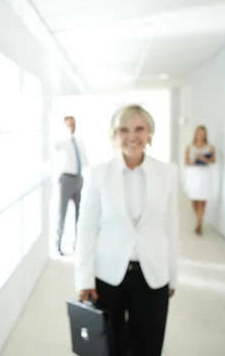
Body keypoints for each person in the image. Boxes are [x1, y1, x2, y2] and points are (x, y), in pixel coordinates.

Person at [75, 104, 179, 356]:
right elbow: (86, 228)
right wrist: (84, 279)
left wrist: (172, 276)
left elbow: (171, 228)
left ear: (150, 133)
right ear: (114, 135)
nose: (132, 136)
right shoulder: (98, 174)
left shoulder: (167, 172)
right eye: (124, 129)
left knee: (149, 345)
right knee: (110, 346)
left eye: (139, 128)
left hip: (152, 275)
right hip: (107, 275)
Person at [55, 115, 88, 255]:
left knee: (80, 215)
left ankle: (78, 245)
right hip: (66, 179)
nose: (72, 126)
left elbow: (85, 161)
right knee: (62, 213)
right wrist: (64, 133)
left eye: (73, 124)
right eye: (69, 124)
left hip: (79, 179)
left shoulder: (79, 143)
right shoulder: (63, 142)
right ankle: (58, 244)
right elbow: (55, 147)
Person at [184, 125, 216, 235]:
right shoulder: (189, 147)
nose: (201, 135)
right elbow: (186, 162)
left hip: (205, 175)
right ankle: (198, 218)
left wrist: (203, 158)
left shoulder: (210, 147)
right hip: (193, 174)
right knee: (194, 200)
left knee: (203, 199)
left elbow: (213, 161)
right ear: (195, 134)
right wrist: (194, 160)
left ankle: (199, 223)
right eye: (199, 133)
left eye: (203, 133)